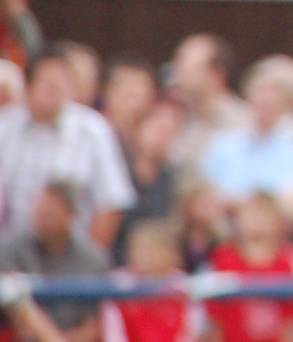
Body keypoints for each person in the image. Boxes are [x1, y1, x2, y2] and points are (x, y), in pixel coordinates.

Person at [0, 45, 135, 248]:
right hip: (11, 254)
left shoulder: (93, 130)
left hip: (70, 254)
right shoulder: (5, 126)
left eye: (61, 83)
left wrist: (85, 264)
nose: (53, 90)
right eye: (47, 83)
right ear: (28, 86)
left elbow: (111, 202)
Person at [0, 181, 109, 342]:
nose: (40, 219)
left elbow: (93, 325)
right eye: (38, 212)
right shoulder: (11, 249)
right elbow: (18, 320)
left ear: (71, 215)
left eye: (48, 214)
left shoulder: (93, 260)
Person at [203, 193, 293, 342]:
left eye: (264, 215)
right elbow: (215, 321)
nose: (257, 221)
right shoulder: (224, 258)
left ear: (278, 223)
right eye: (251, 215)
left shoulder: (287, 261)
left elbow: (292, 322)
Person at [201, 61, 293, 205]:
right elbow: (207, 191)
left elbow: (291, 199)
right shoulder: (224, 146)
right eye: (260, 92)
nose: (266, 99)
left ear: (285, 105)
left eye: (274, 97)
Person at [113, 101, 182, 264]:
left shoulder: (172, 181)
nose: (162, 139)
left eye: (169, 133)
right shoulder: (118, 171)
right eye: (158, 130)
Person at [104, 218, 194, 342]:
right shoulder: (118, 283)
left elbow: (190, 330)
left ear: (171, 254)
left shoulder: (183, 285)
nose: (143, 255)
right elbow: (113, 331)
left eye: (151, 249)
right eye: (137, 248)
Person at [168, 35, 247, 169]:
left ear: (216, 75)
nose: (178, 78)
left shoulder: (244, 125)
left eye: (187, 72)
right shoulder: (176, 121)